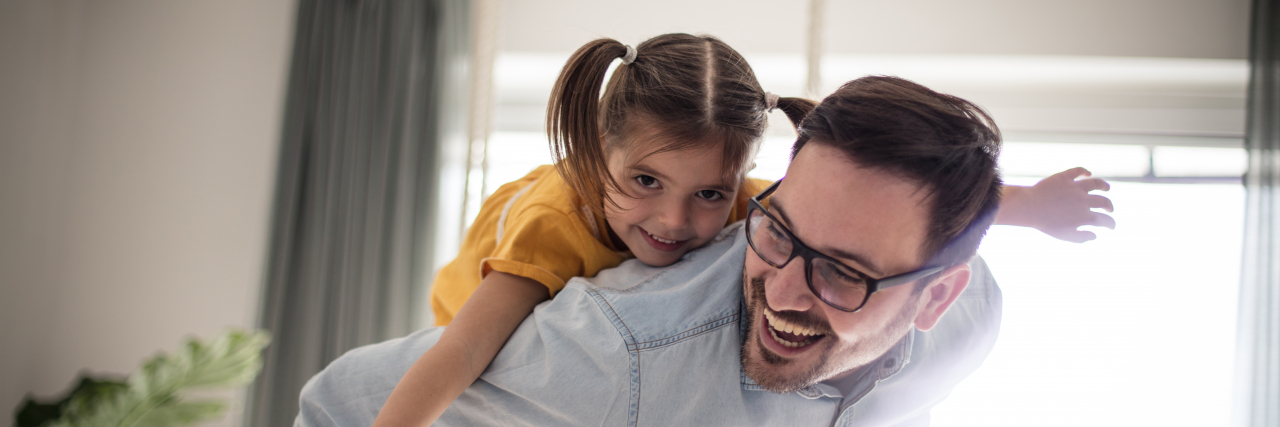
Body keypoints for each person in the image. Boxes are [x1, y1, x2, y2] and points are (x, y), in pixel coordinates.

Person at [296, 75, 1112, 426]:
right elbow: (342, 403)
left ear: (936, 296)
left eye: (844, 272)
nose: (786, 290)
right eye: (782, 232)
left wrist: (1033, 206)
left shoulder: (975, 316)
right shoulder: (622, 353)